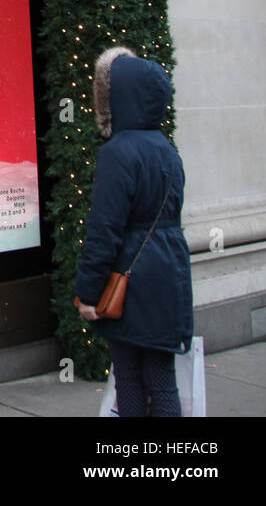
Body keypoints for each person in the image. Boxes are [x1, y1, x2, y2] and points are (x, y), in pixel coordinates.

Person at [75, 46, 193, 417]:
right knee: (162, 380)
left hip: (131, 278)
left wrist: (88, 292)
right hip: (170, 274)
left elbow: (103, 230)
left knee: (127, 375)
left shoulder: (117, 153)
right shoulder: (168, 151)